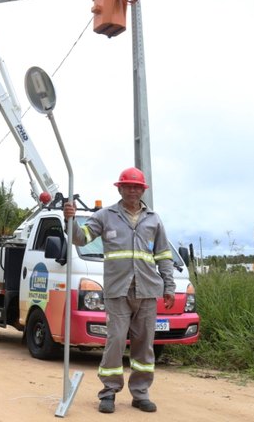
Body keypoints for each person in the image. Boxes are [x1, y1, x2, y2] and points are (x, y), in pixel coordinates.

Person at [63, 167, 175, 414]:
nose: (132, 190)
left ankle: (141, 393)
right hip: (118, 291)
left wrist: (169, 285)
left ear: (143, 190)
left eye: (137, 187)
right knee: (114, 342)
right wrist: (69, 220)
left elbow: (164, 255)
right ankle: (109, 392)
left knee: (144, 344)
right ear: (120, 188)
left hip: (146, 290)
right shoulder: (105, 216)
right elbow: (80, 238)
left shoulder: (154, 219)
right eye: (128, 186)